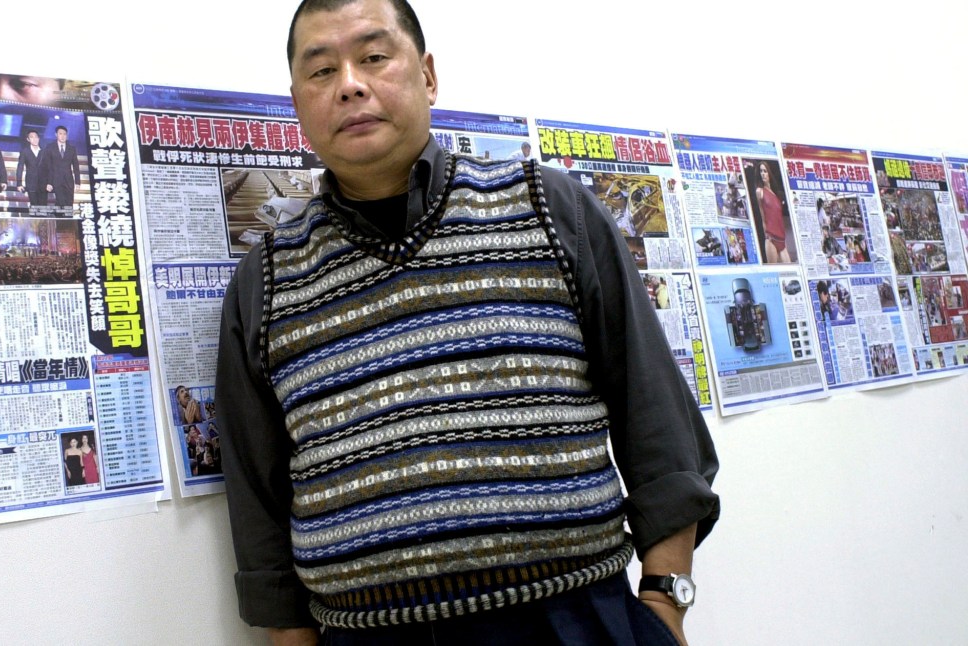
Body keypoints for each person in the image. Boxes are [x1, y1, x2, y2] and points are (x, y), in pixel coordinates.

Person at [216, 2, 719, 645]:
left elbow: (657, 421)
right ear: (298, 104)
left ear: (427, 75)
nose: (349, 83)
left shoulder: (549, 208)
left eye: (373, 56)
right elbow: (258, 509)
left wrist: (665, 600)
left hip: (574, 621)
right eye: (321, 71)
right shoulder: (266, 282)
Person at [755, 161, 791, 263]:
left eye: (765, 171)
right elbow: (762, 215)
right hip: (771, 237)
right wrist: (765, 232)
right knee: (775, 272)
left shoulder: (776, 194)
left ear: (769, 173)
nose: (762, 173)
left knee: (789, 268)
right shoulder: (759, 191)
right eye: (761, 171)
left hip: (781, 238)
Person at [39, 125, 80, 207]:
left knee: (69, 204)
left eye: (64, 134)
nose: (62, 136)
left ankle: (68, 219)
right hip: (55, 180)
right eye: (60, 133)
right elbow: (46, 166)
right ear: (56, 135)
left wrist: (77, 182)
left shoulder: (72, 148)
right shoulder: (50, 147)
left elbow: (76, 166)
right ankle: (60, 218)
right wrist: (48, 182)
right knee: (60, 203)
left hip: (69, 181)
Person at [16, 130, 47, 207]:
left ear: (39, 138)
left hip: (43, 184)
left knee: (43, 208)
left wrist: (50, 183)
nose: (35, 139)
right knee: (34, 207)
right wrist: (19, 183)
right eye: (32, 137)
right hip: (31, 183)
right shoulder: (25, 152)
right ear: (28, 139)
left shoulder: (44, 152)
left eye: (36, 137)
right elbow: (20, 167)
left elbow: (49, 168)